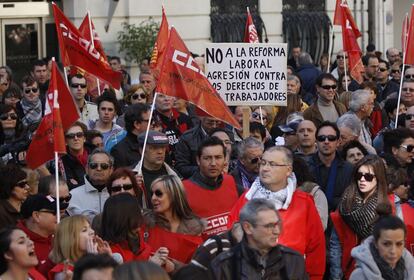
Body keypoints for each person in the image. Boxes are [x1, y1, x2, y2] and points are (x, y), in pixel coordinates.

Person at [228, 146, 326, 280]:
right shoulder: (247, 198)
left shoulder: (304, 203)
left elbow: (316, 247)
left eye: (272, 164)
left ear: (288, 170)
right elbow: (229, 236)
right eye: (263, 163)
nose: (265, 168)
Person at [211, 198, 308, 279]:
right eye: (269, 226)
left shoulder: (294, 260)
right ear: (248, 228)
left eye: (277, 224)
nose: (277, 231)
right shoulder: (223, 266)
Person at [330, 155, 391, 279]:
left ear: (378, 178)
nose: (362, 180)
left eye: (368, 177)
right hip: (348, 270)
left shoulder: (390, 206)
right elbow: (335, 243)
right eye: (359, 175)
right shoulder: (345, 203)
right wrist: (336, 275)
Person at [183, 137, 240, 238]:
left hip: (232, 250)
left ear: (225, 159)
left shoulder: (230, 181)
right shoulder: (183, 189)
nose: (213, 163)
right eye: (207, 158)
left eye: (218, 157)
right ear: (198, 160)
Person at [143, 175, 205, 264]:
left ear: (173, 195)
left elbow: (196, 270)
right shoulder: (145, 224)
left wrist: (173, 267)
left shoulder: (194, 230)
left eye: (158, 194)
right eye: (152, 194)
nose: (153, 198)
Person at [100, 193, 171, 268]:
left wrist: (161, 258)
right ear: (125, 219)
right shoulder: (110, 253)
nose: (141, 214)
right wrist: (151, 264)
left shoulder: (136, 238)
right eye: (137, 211)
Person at [350, 208, 414, 280]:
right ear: (376, 243)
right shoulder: (360, 276)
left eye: (399, 244)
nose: (393, 251)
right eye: (386, 244)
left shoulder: (410, 268)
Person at [306, 121, 353, 211]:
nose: (326, 141)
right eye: (321, 138)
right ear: (316, 142)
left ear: (338, 142)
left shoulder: (349, 169)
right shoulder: (305, 167)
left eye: (331, 138)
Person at [49, 215, 111, 280]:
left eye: (90, 227)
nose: (92, 231)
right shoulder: (63, 273)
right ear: (70, 239)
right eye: (84, 230)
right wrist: (92, 262)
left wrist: (107, 259)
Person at [133, 131, 179, 207]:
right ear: (142, 150)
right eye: (153, 148)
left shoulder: (175, 175)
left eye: (163, 147)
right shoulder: (132, 176)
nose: (160, 152)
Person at [17, 194, 62, 268]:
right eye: (54, 212)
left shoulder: (58, 239)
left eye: (59, 212)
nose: (59, 216)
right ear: (36, 216)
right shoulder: (17, 245)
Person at [67, 149, 112, 222]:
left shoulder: (118, 192)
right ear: (87, 169)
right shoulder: (73, 195)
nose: (99, 169)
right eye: (93, 165)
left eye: (104, 166)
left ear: (111, 170)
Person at [111, 103, 150, 169]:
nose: (153, 124)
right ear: (137, 124)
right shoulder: (119, 151)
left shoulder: (154, 144)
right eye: (149, 121)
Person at [61, 121, 90, 190]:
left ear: (84, 138)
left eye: (79, 135)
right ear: (65, 141)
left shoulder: (96, 154)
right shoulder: (61, 161)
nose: (76, 138)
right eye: (71, 136)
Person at [0, 164, 30, 229]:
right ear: (9, 187)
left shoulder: (28, 205)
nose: (27, 187)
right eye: (22, 185)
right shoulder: (2, 212)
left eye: (27, 183)